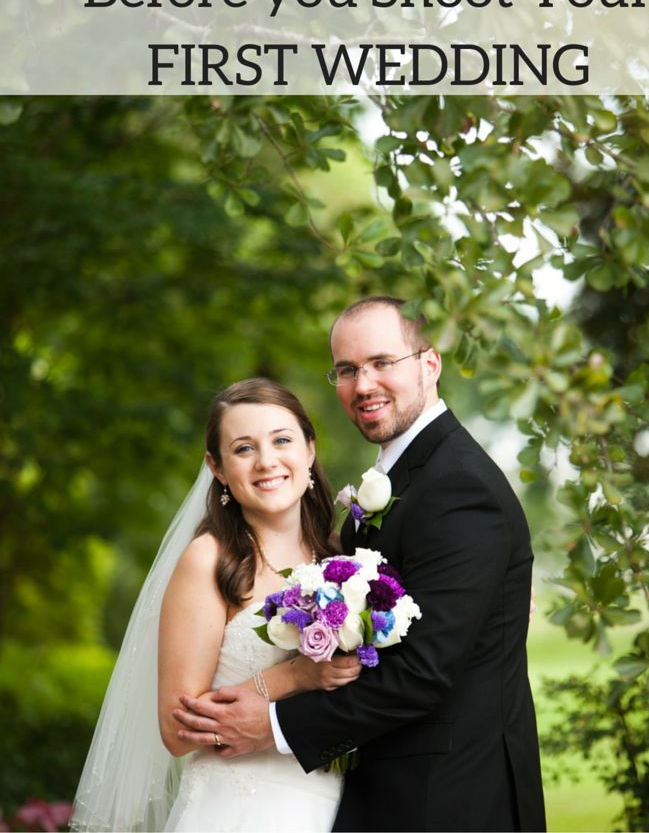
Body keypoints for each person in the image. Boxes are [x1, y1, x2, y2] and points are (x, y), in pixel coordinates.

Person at [174, 297, 546, 832]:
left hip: (447, 802)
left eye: (381, 362)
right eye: (347, 370)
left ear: (430, 363)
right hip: (369, 796)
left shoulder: (460, 487)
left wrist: (273, 723)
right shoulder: (395, 486)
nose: (364, 383)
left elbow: (423, 673)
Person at [71, 378, 361, 833]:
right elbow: (175, 730)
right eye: (244, 448)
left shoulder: (343, 562)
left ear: (309, 449)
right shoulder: (211, 559)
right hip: (234, 810)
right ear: (218, 467)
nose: (267, 461)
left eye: (282, 440)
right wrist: (296, 675)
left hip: (329, 808)